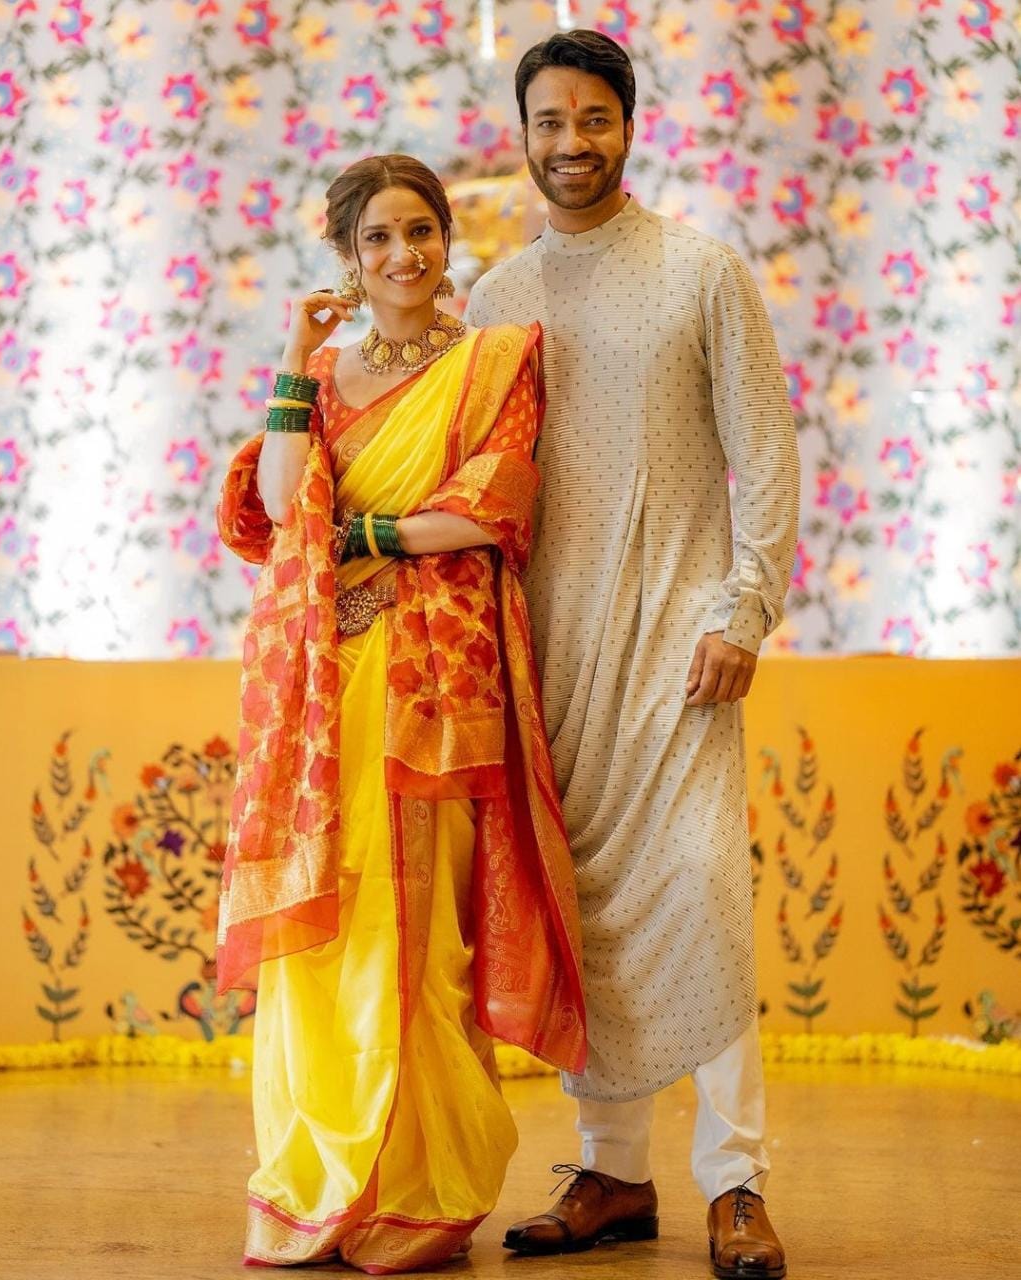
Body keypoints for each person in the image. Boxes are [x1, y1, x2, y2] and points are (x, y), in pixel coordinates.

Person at [465, 30, 799, 1280]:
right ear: (523, 135)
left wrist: (743, 609)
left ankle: (736, 1179)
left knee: (700, 896)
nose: (570, 143)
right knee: (584, 909)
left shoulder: (700, 272)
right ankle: (612, 1169)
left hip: (681, 644)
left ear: (628, 126)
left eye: (592, 118)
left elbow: (764, 451)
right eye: (548, 121)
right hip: (548, 651)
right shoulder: (497, 301)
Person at [215, 153, 587, 1275]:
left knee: (422, 934)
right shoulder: (323, 377)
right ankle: (319, 1179)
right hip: (326, 686)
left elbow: (492, 505)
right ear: (347, 255)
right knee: (326, 928)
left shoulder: (490, 363)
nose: (403, 254)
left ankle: (418, 1185)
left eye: (418, 230)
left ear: (444, 239)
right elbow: (280, 507)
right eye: (376, 237)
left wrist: (367, 536)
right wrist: (293, 360)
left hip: (431, 685)